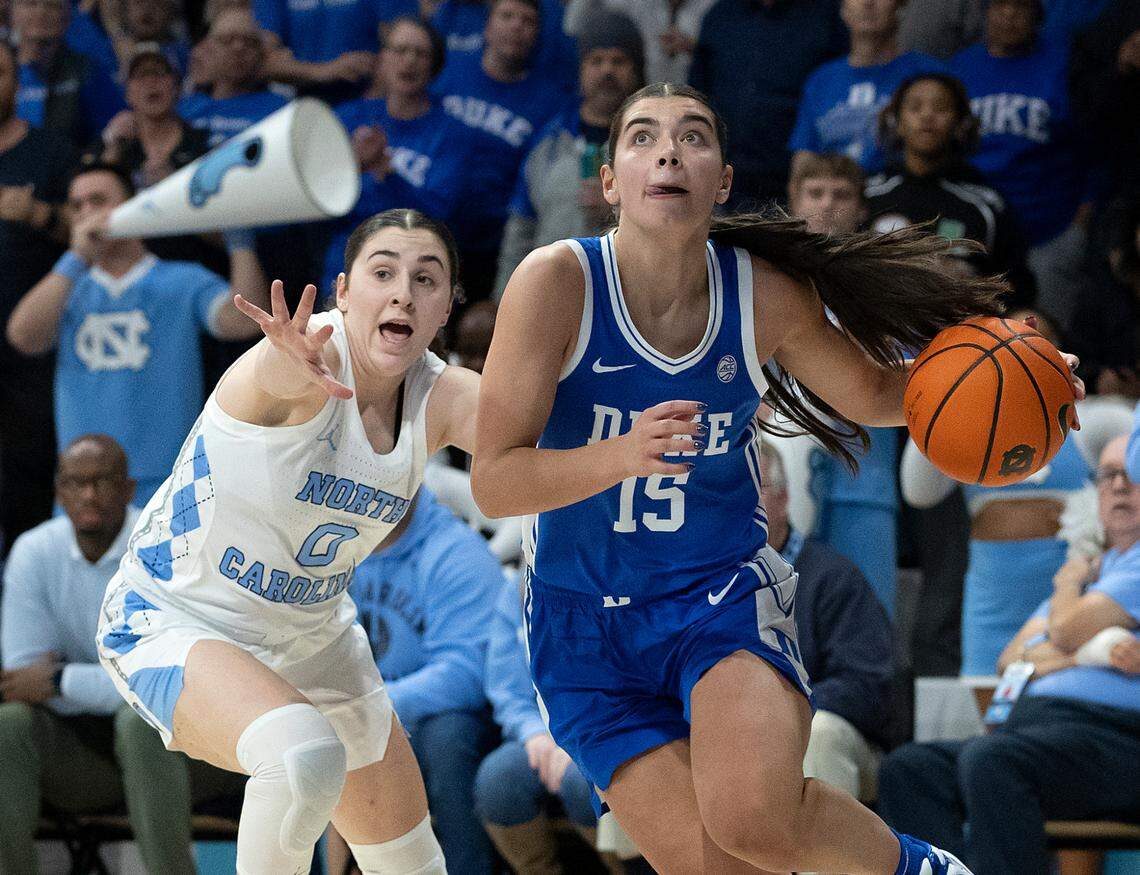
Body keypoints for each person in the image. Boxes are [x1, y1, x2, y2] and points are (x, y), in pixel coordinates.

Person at [472, 81, 1068, 874]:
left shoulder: (759, 291)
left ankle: (926, 869)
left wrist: (1033, 389)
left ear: (720, 180)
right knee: (719, 866)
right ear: (611, 179)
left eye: (692, 135)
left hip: (716, 594)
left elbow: (880, 393)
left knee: (754, 818)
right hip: (584, 630)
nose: (669, 150)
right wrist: (620, 454)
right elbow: (494, 481)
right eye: (644, 137)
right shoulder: (555, 284)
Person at [94, 208, 480, 875]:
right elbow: (277, 372)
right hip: (174, 614)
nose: (402, 292)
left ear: (446, 307)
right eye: (382, 272)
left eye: (426, 278)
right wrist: (283, 358)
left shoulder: (441, 395)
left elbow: (544, 431)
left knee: (416, 865)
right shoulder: (307, 359)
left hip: (313, 634)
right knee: (302, 754)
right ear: (342, 291)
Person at [878, 433, 1140, 874]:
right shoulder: (1093, 572)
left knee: (993, 761)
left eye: (1132, 475)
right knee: (911, 769)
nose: (1118, 486)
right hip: (1043, 732)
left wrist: (1065, 591)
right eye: (1108, 475)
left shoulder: (1100, 574)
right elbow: (1012, 659)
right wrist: (1092, 651)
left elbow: (1062, 628)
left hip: (1118, 738)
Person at [0, 434, 244, 875]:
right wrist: (102, 682)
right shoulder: (34, 552)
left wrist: (58, 680)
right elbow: (20, 681)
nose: (89, 494)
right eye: (76, 483)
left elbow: (160, 685)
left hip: (181, 751)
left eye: (103, 482)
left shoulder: (163, 546)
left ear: (130, 490)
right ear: (58, 491)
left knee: (139, 721)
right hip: (84, 762)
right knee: (7, 723)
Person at [5, 161, 269, 506]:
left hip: (170, 485)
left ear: (134, 205)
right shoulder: (66, 286)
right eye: (76, 205)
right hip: (83, 489)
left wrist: (239, 241)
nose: (86, 213)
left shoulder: (182, 279)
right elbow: (23, 337)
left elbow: (244, 323)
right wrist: (77, 257)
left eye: (98, 201)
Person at [345, 488, 500, 875]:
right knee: (306, 729)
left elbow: (466, 674)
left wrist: (372, 706)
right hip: (369, 711)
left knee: (447, 735)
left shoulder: (455, 551)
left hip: (454, 718)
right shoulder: (332, 548)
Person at [782, 152, 901, 613]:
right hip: (779, 476)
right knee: (778, 622)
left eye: (841, 194)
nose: (827, 205)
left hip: (863, 476)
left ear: (862, 207)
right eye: (815, 193)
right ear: (793, 200)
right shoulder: (764, 279)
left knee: (868, 619)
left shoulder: (887, 282)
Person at [759, 444, 894, 804]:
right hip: (738, 730)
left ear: (784, 498)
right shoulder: (707, 583)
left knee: (819, 734)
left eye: (752, 488)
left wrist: (779, 715)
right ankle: (644, 863)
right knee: (650, 741)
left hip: (837, 735)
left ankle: (828, 861)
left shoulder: (833, 577)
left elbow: (867, 687)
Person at [949, 0, 1090, 331]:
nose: (1009, 15)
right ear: (984, 12)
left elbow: (1090, 147)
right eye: (1000, 5)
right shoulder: (960, 68)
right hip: (979, 231)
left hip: (1050, 229)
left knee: (1050, 339)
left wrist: (1082, 222)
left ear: (1037, 15)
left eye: (1020, 7)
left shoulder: (1064, 64)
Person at [493, 9, 645, 299]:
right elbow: (521, 229)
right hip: (550, 297)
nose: (607, 71)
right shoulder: (548, 142)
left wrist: (621, 213)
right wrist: (504, 302)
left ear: (636, 70)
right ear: (581, 70)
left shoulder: (656, 146)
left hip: (629, 302)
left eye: (618, 61)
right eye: (596, 61)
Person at [431, 0, 571, 302]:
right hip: (432, 223)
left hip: (492, 242)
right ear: (488, 26)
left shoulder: (550, 102)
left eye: (528, 21)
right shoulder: (449, 71)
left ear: (538, 34)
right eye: (507, 16)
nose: (516, 26)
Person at [319, 16, 468, 298]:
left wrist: (385, 173)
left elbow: (438, 215)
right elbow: (317, 199)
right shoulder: (349, 118)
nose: (409, 61)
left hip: (414, 275)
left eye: (420, 53)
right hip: (343, 269)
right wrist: (352, 166)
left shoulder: (452, 134)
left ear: (434, 66)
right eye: (400, 51)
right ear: (383, 58)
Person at [474, 574, 609, 875]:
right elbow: (506, 687)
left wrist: (575, 740)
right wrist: (532, 733)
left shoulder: (606, 572)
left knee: (583, 783)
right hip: (541, 731)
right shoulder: (517, 586)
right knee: (499, 778)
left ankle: (630, 867)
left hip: (602, 730)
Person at [866, 72, 1037, 306]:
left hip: (961, 330)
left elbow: (1016, 288)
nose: (927, 115)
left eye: (940, 108)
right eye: (915, 107)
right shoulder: (868, 195)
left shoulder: (986, 205)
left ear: (960, 124)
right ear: (897, 123)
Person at [0, 36, 73, 553]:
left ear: (16, 83)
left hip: (30, 352)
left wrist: (40, 215)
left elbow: (96, 233)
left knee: (26, 482)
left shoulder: (52, 152)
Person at [688, 0, 848, 208]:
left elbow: (839, 90)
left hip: (796, 180)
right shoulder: (720, 15)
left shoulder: (827, 16)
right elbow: (698, 97)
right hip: (725, 177)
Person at [789, 0, 944, 175]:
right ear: (843, 8)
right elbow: (804, 160)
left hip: (906, 194)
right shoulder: (821, 81)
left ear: (900, 5)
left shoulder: (929, 76)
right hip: (836, 197)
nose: (868, 3)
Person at [11, 0, 124, 148]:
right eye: (31, 4)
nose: (41, 13)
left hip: (70, 165)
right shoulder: (4, 70)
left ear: (68, 17)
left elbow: (113, 126)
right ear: (12, 13)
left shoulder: (87, 71)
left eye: (52, 6)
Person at [178, 7, 288, 150]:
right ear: (209, 49)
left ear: (260, 53)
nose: (238, 48)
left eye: (249, 42)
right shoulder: (184, 110)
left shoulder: (280, 110)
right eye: (227, 40)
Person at [562, 0, 717, 86]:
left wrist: (698, 48)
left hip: (699, 98)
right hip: (636, 96)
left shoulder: (715, 7)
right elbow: (573, 26)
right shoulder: (634, 4)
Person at [253, 0, 379, 103]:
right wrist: (325, 71)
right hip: (306, 106)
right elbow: (264, 64)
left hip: (370, 100)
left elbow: (395, 45)